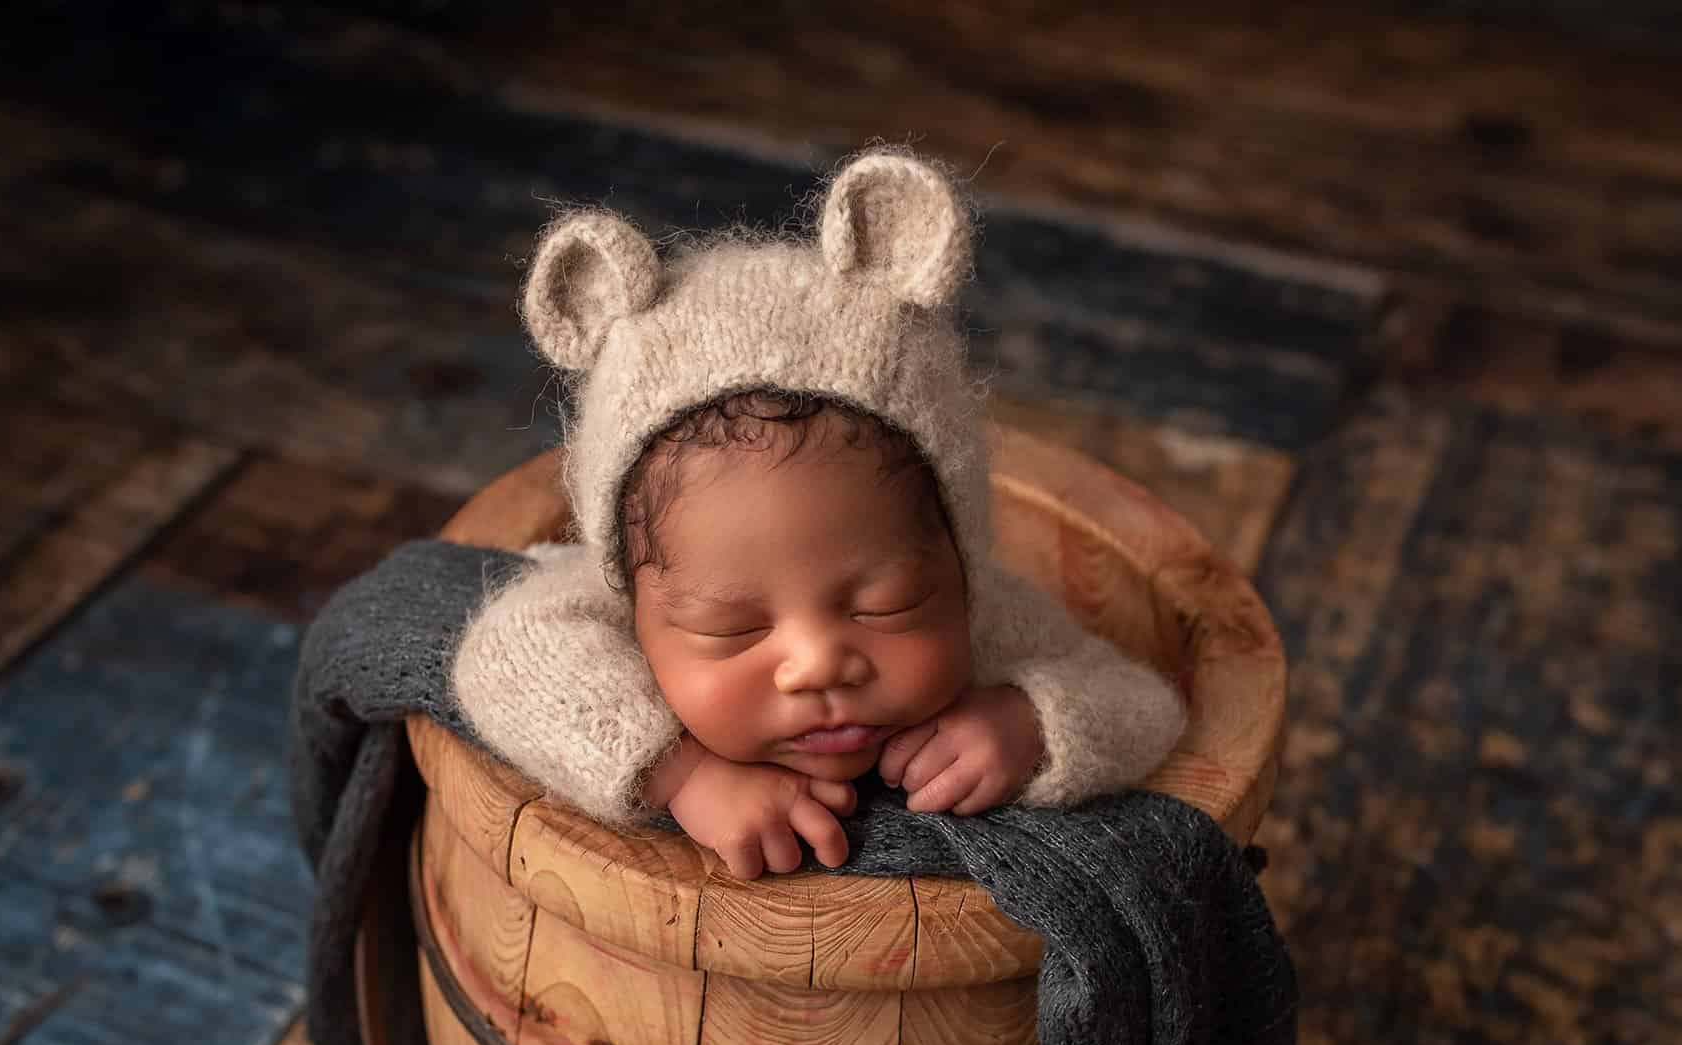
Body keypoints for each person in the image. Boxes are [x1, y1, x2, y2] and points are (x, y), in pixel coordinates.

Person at [454, 148, 1187, 879]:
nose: (818, 665)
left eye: (884, 606)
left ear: (956, 558)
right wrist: (682, 775)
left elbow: (1143, 706)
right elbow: (504, 658)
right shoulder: (610, 619)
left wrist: (1031, 723)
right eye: (730, 627)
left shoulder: (985, 620)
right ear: (634, 599)